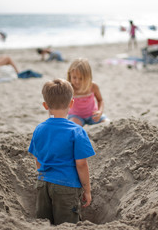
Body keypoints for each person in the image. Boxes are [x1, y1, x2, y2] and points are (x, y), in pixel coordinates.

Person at [28, 78, 95, 225]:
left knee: (44, 223)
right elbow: (82, 164)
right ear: (71, 104)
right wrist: (87, 190)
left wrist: (44, 175)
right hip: (67, 186)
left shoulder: (39, 129)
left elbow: (38, 159)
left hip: (43, 184)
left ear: (45, 105)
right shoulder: (77, 131)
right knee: (67, 224)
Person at [67, 58, 110, 127]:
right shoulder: (69, 88)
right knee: (73, 127)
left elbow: (100, 100)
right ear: (70, 75)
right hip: (76, 116)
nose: (77, 81)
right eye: (74, 77)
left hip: (92, 115)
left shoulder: (93, 86)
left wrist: (100, 112)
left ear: (88, 77)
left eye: (81, 78)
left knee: (107, 123)